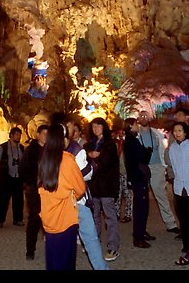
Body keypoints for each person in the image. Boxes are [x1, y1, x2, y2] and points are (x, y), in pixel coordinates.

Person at [50, 112, 109, 270]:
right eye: (70, 126)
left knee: (59, 242)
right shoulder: (75, 150)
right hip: (75, 202)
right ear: (64, 128)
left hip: (55, 203)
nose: (73, 129)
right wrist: (92, 166)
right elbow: (84, 176)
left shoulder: (47, 150)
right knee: (90, 238)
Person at [38, 123, 86, 270]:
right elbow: (80, 188)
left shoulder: (43, 160)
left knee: (52, 260)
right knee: (66, 262)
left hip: (48, 218)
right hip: (65, 219)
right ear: (63, 140)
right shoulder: (67, 160)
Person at [137, 110, 179, 234]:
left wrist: (163, 165)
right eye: (141, 116)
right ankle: (140, 227)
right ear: (139, 118)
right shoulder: (135, 135)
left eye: (146, 115)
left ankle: (171, 224)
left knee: (161, 196)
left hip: (156, 166)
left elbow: (162, 149)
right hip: (142, 167)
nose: (144, 117)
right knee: (140, 198)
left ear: (150, 117)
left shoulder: (156, 133)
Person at [86, 117, 121, 262]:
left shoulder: (110, 144)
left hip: (107, 186)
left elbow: (106, 163)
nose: (96, 129)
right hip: (94, 186)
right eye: (93, 126)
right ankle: (95, 242)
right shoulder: (90, 144)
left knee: (110, 216)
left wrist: (96, 156)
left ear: (104, 127)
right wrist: (96, 156)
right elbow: (86, 160)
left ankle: (113, 246)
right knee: (95, 216)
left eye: (98, 126)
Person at [123, 117, 154, 248]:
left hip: (137, 176)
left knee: (143, 206)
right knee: (141, 207)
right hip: (139, 176)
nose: (138, 125)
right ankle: (138, 237)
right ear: (131, 126)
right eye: (136, 124)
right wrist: (148, 151)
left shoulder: (129, 140)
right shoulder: (132, 141)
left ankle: (142, 232)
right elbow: (142, 157)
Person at [19, 124, 48, 260]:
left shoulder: (50, 150)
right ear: (38, 135)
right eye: (43, 134)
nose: (45, 137)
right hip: (34, 189)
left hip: (48, 188)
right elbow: (23, 168)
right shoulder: (31, 150)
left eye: (48, 134)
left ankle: (51, 246)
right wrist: (32, 182)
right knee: (34, 218)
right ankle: (30, 250)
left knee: (50, 217)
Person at [167, 121, 189, 253]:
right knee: (183, 217)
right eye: (175, 131)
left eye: (180, 131)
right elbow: (173, 165)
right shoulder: (172, 148)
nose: (177, 133)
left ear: (185, 132)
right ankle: (187, 243)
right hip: (179, 185)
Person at [0, 127, 25, 228]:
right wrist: (0, 173)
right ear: (11, 135)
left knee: (18, 200)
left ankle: (18, 219)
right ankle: (0, 220)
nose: (18, 137)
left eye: (19, 135)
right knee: (3, 199)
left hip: (18, 177)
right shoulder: (3, 147)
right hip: (7, 177)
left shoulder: (22, 148)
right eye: (16, 135)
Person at [114, 128, 133, 223]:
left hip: (126, 173)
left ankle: (128, 214)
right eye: (119, 133)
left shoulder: (128, 144)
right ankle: (116, 214)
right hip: (117, 173)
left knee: (128, 195)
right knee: (117, 195)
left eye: (123, 133)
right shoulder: (115, 144)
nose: (121, 135)